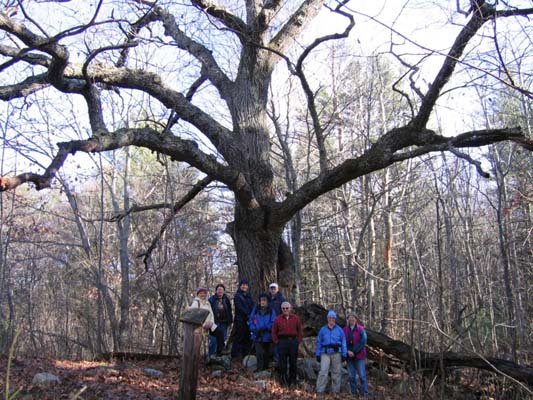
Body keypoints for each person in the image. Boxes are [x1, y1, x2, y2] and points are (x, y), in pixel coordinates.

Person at [315, 310, 347, 395]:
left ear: (335, 319)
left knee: (336, 372)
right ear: (327, 319)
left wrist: (344, 354)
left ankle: (335, 391)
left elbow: (343, 342)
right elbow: (319, 342)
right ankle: (320, 390)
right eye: (330, 318)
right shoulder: (323, 329)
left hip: (337, 353)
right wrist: (318, 354)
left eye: (333, 318)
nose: (331, 319)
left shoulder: (340, 330)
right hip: (325, 353)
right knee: (323, 372)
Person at [272, 301, 303, 387]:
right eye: (283, 308)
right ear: (281, 309)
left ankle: (292, 381)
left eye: (287, 308)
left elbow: (300, 330)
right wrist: (277, 342)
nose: (285, 310)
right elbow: (274, 332)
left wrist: (298, 341)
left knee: (293, 362)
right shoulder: (278, 319)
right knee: (282, 363)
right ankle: (284, 381)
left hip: (293, 342)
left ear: (290, 309)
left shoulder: (296, 318)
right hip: (282, 342)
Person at [189, 287, 225, 357]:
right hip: (200, 326)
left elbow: (211, 314)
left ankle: (220, 351)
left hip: (210, 325)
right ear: (198, 294)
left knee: (220, 332)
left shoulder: (207, 303)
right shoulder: (196, 302)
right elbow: (193, 315)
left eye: (204, 293)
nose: (202, 295)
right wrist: (203, 325)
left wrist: (211, 322)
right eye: (201, 293)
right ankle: (194, 358)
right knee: (197, 343)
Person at [343, 312, 369, 396]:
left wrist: (354, 351)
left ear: (356, 319)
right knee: (351, 376)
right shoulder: (345, 329)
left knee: (362, 375)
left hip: (359, 356)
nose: (351, 319)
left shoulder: (361, 329)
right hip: (349, 356)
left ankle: (365, 393)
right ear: (348, 319)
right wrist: (347, 351)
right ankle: (354, 393)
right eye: (350, 318)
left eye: (353, 318)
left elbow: (363, 341)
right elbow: (342, 342)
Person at [248, 293, 276, 370]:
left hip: (267, 336)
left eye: (264, 300)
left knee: (267, 353)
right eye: (261, 300)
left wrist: (265, 328)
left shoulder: (271, 311)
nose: (262, 302)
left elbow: (273, 322)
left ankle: (265, 369)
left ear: (267, 302)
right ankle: (260, 369)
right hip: (257, 336)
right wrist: (255, 329)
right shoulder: (256, 310)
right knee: (259, 353)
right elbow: (250, 321)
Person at [230, 279, 255, 360]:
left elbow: (252, 306)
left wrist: (252, 315)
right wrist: (248, 314)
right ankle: (235, 355)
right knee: (239, 337)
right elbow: (240, 308)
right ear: (240, 286)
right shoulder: (237, 296)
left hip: (248, 320)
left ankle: (246, 354)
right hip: (240, 320)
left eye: (246, 285)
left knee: (247, 337)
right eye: (243, 285)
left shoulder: (248, 296)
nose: (244, 286)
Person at [208, 283, 233, 356]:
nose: (220, 291)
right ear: (216, 291)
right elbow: (208, 311)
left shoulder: (226, 299)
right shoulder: (211, 299)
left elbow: (229, 310)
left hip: (224, 323)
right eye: (218, 290)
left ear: (224, 291)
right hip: (214, 323)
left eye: (221, 290)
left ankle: (219, 357)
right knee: (213, 341)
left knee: (223, 340)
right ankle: (211, 356)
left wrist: (230, 321)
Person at [267, 282, 286, 365]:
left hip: (279, 323)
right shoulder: (268, 299)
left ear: (277, 289)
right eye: (271, 288)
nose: (273, 290)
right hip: (269, 323)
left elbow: (285, 311)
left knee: (277, 341)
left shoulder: (281, 299)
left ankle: (278, 359)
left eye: (274, 288)